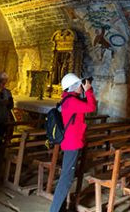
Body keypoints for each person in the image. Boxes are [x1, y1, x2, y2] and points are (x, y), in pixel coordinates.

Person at [49, 73, 97, 212]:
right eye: (79, 85)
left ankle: (60, 208)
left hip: (72, 141)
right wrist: (88, 91)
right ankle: (55, 209)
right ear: (73, 87)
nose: (81, 87)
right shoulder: (72, 101)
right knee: (66, 178)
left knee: (67, 176)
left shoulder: (70, 99)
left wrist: (86, 91)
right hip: (72, 143)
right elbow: (91, 107)